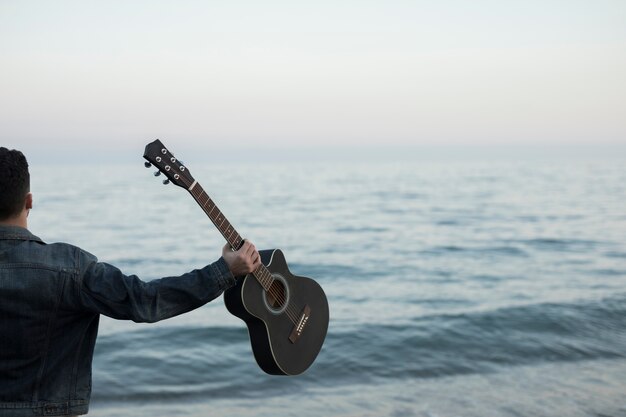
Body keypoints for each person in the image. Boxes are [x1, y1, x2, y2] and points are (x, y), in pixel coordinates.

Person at [0, 147, 261, 417]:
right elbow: (145, 301)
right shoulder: (69, 267)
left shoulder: (69, 268)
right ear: (29, 201)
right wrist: (224, 271)